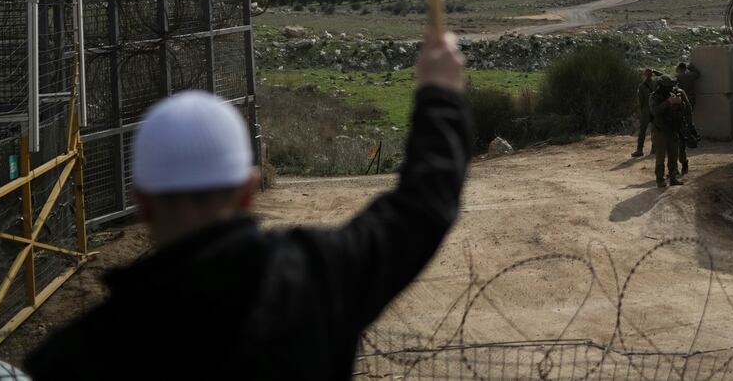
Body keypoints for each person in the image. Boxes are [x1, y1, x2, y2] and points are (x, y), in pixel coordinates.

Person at [27, 27, 472, 380]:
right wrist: (438, 93)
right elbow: (422, 206)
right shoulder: (313, 278)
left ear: (140, 200)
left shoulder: (76, 356)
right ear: (249, 188)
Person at [649, 75, 686, 188]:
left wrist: (680, 102)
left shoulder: (672, 95)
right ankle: (660, 179)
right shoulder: (654, 97)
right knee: (660, 156)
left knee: (673, 155)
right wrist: (668, 102)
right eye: (667, 86)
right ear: (661, 86)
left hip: (672, 130)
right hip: (660, 131)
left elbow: (682, 109)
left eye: (671, 86)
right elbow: (655, 111)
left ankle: (673, 178)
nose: (670, 88)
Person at [632, 67, 657, 158]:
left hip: (646, 109)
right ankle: (654, 149)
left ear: (645, 75)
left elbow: (640, 100)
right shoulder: (656, 84)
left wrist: (640, 110)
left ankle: (639, 150)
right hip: (655, 109)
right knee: (655, 130)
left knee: (642, 130)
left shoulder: (642, 86)